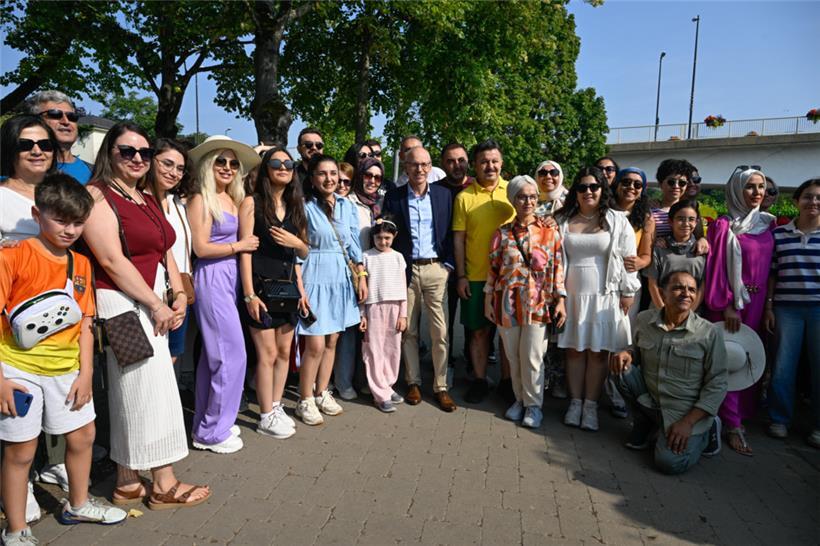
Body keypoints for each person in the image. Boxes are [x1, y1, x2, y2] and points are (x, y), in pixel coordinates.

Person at [81, 122, 210, 509]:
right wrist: (155, 304)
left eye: (144, 152)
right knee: (146, 391)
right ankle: (164, 484)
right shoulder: (98, 195)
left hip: (151, 299)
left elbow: (166, 249)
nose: (137, 158)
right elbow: (110, 259)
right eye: (127, 151)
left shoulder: (143, 196)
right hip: (120, 303)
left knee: (140, 391)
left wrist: (179, 293)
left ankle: (126, 482)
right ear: (110, 153)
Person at [0, 175, 127, 544]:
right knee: (21, 451)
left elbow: (85, 323)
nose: (70, 230)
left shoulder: (81, 263)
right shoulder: (12, 256)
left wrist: (86, 373)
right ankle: (16, 528)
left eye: (78, 222)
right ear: (37, 214)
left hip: (67, 369)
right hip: (18, 370)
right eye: (60, 220)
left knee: (84, 435)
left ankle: (78, 503)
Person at [610, 271, 727, 475]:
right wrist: (627, 353)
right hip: (652, 400)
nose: (686, 294)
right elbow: (636, 351)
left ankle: (706, 433)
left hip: (685, 412)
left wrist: (688, 422)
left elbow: (718, 383)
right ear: (662, 292)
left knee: (669, 463)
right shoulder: (644, 320)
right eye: (678, 288)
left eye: (692, 290)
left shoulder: (709, 333)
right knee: (620, 367)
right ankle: (646, 422)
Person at [187, 135, 261, 454]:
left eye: (233, 163)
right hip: (212, 275)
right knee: (231, 356)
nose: (228, 167)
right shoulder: (201, 199)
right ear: (208, 164)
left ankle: (210, 424)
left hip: (228, 277)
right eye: (221, 161)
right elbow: (200, 248)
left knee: (213, 357)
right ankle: (212, 431)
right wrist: (239, 245)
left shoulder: (232, 198)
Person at [555, 166, 639, 431]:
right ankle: (575, 403)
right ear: (575, 191)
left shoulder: (617, 220)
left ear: (603, 189)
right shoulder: (562, 219)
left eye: (594, 186)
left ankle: (590, 406)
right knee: (574, 351)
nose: (588, 191)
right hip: (571, 295)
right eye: (582, 187)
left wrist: (628, 292)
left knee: (599, 353)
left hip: (605, 295)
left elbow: (629, 259)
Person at [702, 167, 775, 455]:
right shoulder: (723, 226)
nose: (757, 192)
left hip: (757, 303)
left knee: (750, 360)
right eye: (750, 186)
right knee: (729, 359)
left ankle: (740, 416)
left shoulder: (766, 224)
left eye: (761, 187)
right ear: (736, 190)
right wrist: (729, 304)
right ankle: (731, 424)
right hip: (729, 304)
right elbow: (717, 269)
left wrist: (768, 305)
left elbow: (772, 269)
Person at [484, 175, 566, 428]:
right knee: (512, 355)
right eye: (522, 196)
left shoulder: (549, 231)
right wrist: (488, 299)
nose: (528, 201)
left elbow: (558, 267)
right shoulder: (502, 233)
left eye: (532, 196)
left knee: (532, 356)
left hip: (537, 303)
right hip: (507, 302)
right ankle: (519, 400)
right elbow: (493, 268)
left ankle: (533, 405)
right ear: (512, 200)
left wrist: (560, 300)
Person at [238, 147, 308, 439]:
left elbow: (303, 252)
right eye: (276, 163)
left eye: (288, 164)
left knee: (283, 352)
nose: (283, 167)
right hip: (261, 287)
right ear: (266, 168)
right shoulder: (252, 203)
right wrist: (249, 295)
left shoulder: (295, 206)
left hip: (288, 288)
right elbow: (244, 251)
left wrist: (296, 243)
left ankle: (276, 406)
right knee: (266, 354)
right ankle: (265, 415)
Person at [382, 146, 456, 412]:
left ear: (431, 166)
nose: (420, 169)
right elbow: (387, 232)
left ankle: (441, 386)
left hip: (436, 269)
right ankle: (412, 381)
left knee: (440, 331)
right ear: (406, 167)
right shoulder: (394, 197)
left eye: (425, 164)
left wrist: (448, 266)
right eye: (414, 164)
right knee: (409, 330)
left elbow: (450, 232)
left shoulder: (444, 195)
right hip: (407, 270)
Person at [297, 155, 367, 425]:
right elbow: (299, 249)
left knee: (332, 340)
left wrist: (361, 275)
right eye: (322, 173)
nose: (329, 179)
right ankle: (304, 399)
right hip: (314, 273)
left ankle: (321, 392)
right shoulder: (304, 206)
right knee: (314, 343)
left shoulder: (347, 206)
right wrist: (300, 287)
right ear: (313, 178)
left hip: (340, 276)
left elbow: (353, 243)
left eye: (333, 173)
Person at [453, 140, 515, 404]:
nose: (490, 166)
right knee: (478, 332)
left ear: (501, 163)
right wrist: (461, 276)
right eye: (484, 162)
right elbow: (459, 239)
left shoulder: (514, 191)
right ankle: (479, 380)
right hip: (477, 276)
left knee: (507, 334)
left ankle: (507, 382)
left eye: (494, 161)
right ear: (475, 166)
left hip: (510, 277)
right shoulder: (464, 197)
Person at [764, 178, 820, 448]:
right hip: (786, 309)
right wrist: (769, 306)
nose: (814, 202)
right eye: (808, 196)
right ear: (796, 201)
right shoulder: (779, 234)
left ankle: (818, 425)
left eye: (819, 197)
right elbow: (772, 274)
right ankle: (779, 419)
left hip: (818, 310)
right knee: (783, 367)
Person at [141, 139, 194, 373]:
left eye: (180, 168)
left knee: (172, 358)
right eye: (167, 164)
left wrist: (181, 295)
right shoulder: (138, 200)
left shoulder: (178, 203)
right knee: (152, 364)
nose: (174, 173)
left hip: (179, 292)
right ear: (151, 161)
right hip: (150, 293)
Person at [334, 157, 385, 400]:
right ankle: (343, 382)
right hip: (353, 272)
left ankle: (365, 380)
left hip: (376, 273)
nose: (372, 181)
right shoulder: (347, 203)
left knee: (369, 330)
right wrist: (360, 271)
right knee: (349, 330)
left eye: (377, 177)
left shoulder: (379, 204)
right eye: (367, 175)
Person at [360, 217, 408, 413]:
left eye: (387, 238)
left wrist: (403, 314)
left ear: (394, 236)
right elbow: (361, 289)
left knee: (392, 349)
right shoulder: (366, 257)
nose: (383, 241)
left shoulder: (398, 257)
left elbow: (403, 287)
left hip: (394, 307)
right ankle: (380, 394)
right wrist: (362, 314)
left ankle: (388, 385)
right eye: (379, 238)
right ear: (373, 238)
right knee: (374, 350)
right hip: (373, 307)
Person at [437, 142, 473, 376]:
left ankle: (473, 362)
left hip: (474, 263)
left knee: (473, 321)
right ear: (443, 164)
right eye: (450, 161)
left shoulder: (477, 187)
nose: (456, 165)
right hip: (445, 265)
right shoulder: (435, 190)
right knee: (444, 319)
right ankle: (445, 362)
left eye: (461, 160)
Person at [1, 115, 58, 241]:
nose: (37, 152)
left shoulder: (67, 191)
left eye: (45, 145)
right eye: (25, 145)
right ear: (9, 150)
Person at [646, 200, 706, 309]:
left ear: (696, 222)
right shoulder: (659, 249)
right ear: (670, 221)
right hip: (659, 310)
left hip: (691, 311)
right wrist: (664, 312)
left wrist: (689, 314)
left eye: (691, 219)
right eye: (680, 219)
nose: (686, 224)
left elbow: (702, 286)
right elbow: (652, 285)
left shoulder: (702, 250)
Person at [25, 91, 93, 185]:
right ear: (34, 121)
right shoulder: (17, 174)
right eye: (55, 114)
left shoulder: (95, 172)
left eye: (71, 116)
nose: (66, 121)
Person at [651, 159, 696, 239]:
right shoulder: (649, 209)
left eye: (682, 183)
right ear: (660, 184)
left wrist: (702, 240)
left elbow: (699, 236)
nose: (676, 186)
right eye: (671, 182)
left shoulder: (691, 210)